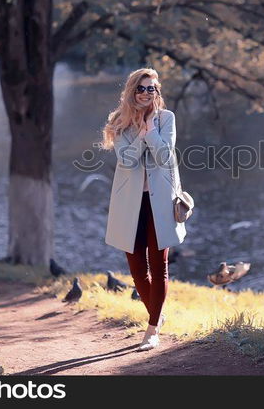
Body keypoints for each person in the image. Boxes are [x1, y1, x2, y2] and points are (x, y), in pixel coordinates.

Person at [102, 68, 187, 351]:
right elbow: (126, 160)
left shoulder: (166, 119)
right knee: (137, 269)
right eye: (141, 88)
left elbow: (165, 156)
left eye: (152, 89)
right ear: (131, 91)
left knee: (159, 265)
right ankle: (158, 316)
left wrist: (151, 130)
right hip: (130, 205)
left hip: (160, 203)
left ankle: (152, 330)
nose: (147, 93)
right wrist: (141, 133)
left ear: (157, 92)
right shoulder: (119, 122)